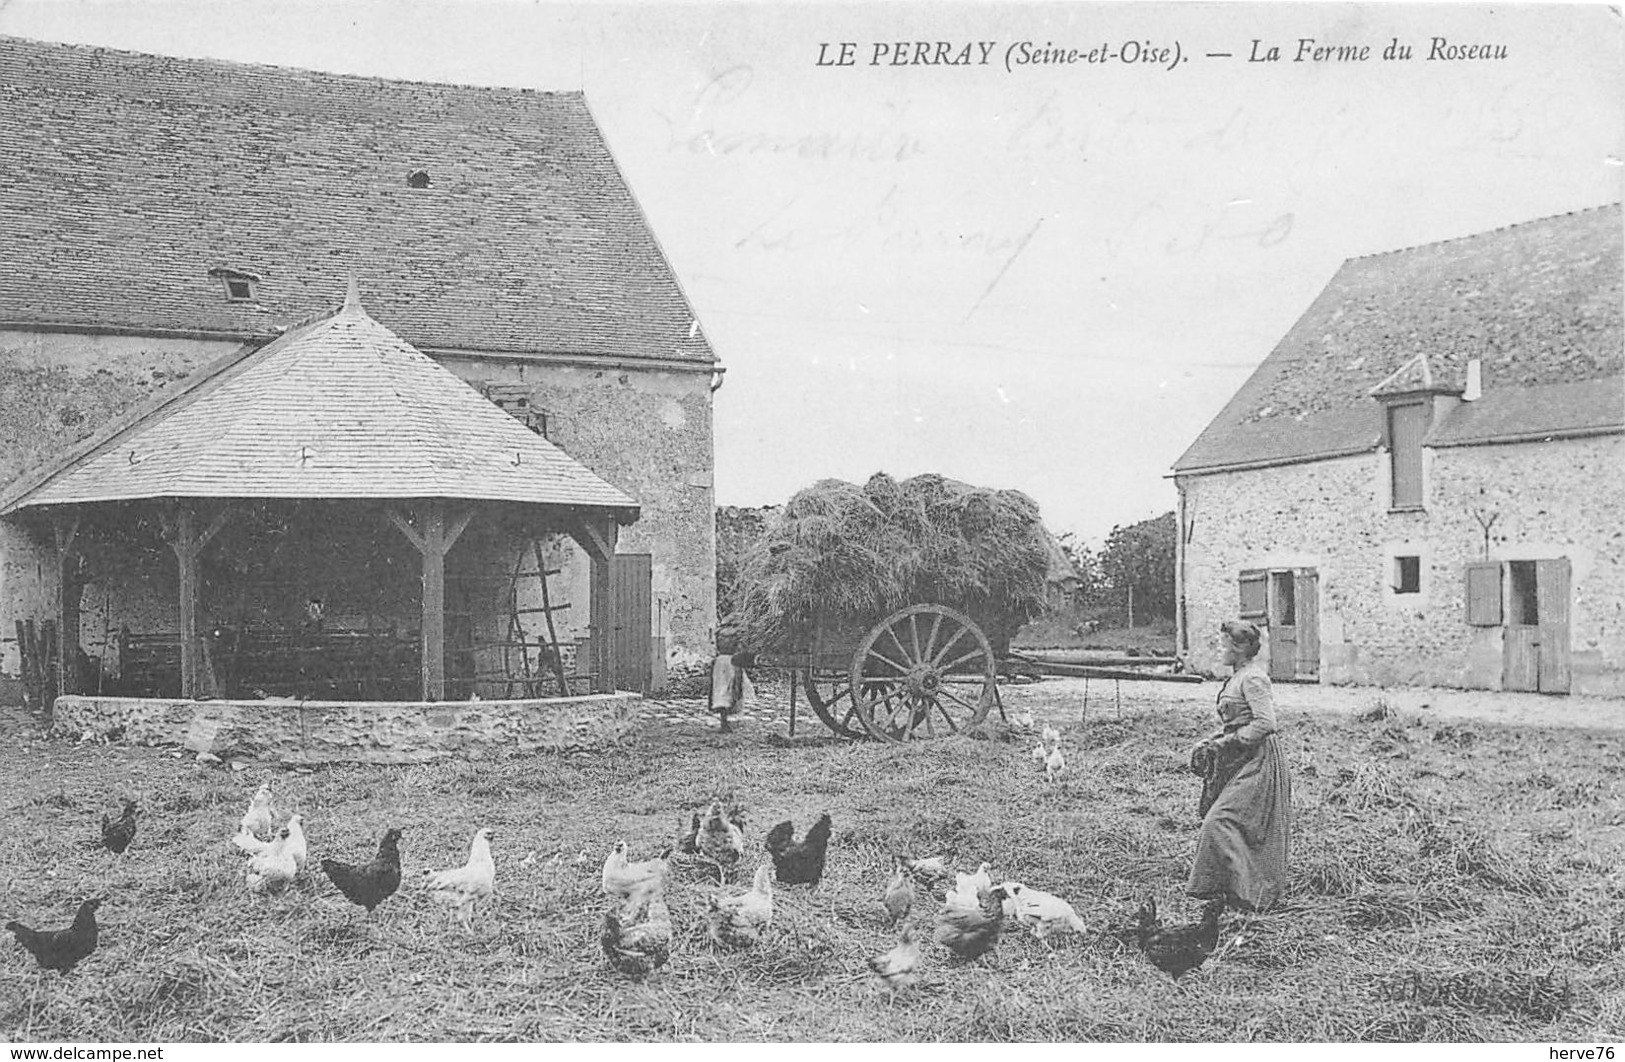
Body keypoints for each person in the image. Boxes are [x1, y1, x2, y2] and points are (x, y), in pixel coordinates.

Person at [1187, 619, 1291, 911]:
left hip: (1258, 761)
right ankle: (1234, 890)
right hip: (1239, 760)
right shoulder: (1236, 677)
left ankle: (1252, 893)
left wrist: (1225, 743)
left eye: (1224, 645)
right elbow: (1237, 721)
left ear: (1241, 648)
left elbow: (1265, 723)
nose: (1219, 650)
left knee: (1221, 822)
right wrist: (1210, 741)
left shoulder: (1253, 678)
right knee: (1230, 823)